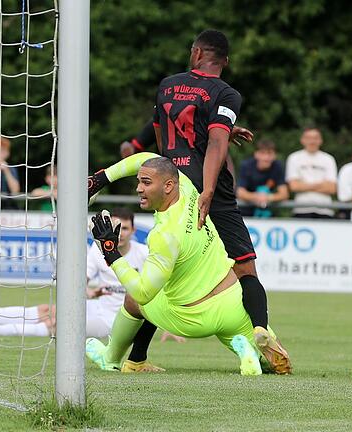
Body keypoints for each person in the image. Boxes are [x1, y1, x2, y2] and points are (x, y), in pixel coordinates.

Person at [88, 29, 288, 373]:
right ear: (223, 61)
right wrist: (210, 189)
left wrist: (133, 149)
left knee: (161, 276)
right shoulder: (226, 93)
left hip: (173, 188)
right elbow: (215, 143)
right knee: (244, 269)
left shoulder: (167, 84)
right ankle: (260, 332)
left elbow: (160, 127)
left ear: (196, 53)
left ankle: (133, 358)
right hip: (213, 193)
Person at [86, 154, 290, 375]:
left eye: (146, 183)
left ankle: (111, 359)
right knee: (280, 366)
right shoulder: (188, 187)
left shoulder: (164, 235)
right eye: (139, 181)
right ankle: (249, 354)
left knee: (135, 300)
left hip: (192, 316)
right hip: (232, 300)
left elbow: (143, 292)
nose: (138, 188)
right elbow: (148, 159)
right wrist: (101, 178)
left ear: (168, 186)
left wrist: (111, 253)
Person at [0, 207, 185, 370]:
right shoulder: (98, 251)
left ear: (134, 230)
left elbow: (163, 288)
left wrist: (168, 325)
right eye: (116, 227)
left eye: (125, 228)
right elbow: (81, 284)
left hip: (114, 320)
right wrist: (89, 293)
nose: (120, 232)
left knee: (60, 323)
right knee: (50, 309)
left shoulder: (144, 253)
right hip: (98, 306)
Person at [285, 127, 338, 218]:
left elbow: (332, 188)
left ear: (321, 140)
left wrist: (304, 185)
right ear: (302, 140)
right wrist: (321, 185)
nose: (312, 141)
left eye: (315, 138)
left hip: (325, 210)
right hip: (301, 209)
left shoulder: (329, 159)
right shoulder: (294, 158)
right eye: (308, 138)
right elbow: (294, 186)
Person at [236, 139, 289, 217]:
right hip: (245, 212)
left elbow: (284, 194)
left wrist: (268, 197)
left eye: (270, 153)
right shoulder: (247, 166)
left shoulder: (277, 166)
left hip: (268, 212)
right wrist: (257, 196)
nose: (266, 157)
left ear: (275, 155)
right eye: (263, 153)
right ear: (256, 154)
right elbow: (240, 193)